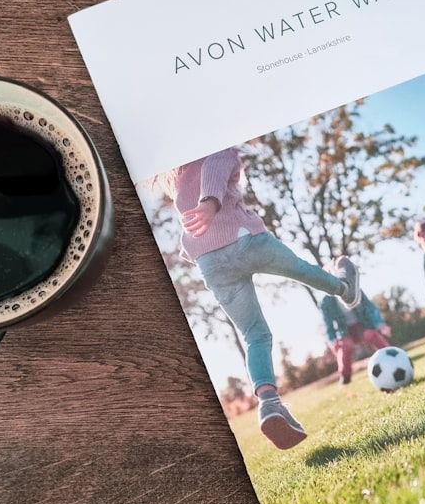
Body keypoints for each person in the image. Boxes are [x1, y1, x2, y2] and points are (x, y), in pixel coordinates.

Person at [153, 147, 361, 450]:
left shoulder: (179, 178)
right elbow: (216, 164)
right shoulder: (214, 146)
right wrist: (210, 202)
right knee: (303, 270)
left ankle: (269, 404)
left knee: (255, 336)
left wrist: (197, 248)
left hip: (210, 264)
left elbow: (189, 226)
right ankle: (345, 289)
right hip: (245, 240)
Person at [319, 292, 391, 384]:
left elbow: (370, 307)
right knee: (345, 346)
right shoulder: (326, 301)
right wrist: (333, 341)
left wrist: (380, 324)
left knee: (371, 334)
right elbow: (328, 323)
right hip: (344, 331)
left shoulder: (355, 290)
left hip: (362, 325)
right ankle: (345, 376)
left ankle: (390, 356)